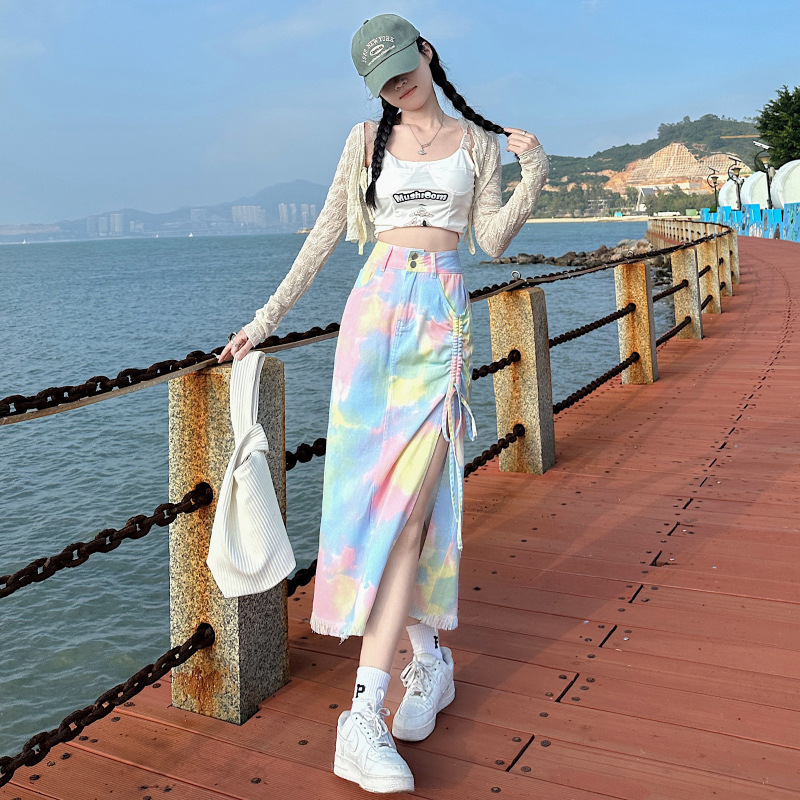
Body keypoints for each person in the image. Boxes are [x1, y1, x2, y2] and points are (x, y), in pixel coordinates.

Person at [217, 13, 549, 794]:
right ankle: (428, 659)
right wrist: (263, 322)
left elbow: (492, 240)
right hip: (372, 326)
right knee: (375, 509)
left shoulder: (477, 144)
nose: (397, 86)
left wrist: (534, 171)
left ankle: (360, 715)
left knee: (409, 514)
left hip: (439, 326)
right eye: (382, 80)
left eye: (404, 68)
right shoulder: (364, 141)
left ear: (426, 53)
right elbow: (323, 236)